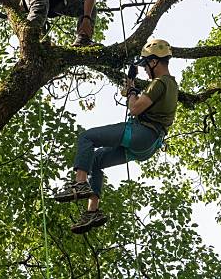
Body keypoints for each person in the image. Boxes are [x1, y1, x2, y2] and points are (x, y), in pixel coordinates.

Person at [53, 39, 178, 233]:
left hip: (142, 134)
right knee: (94, 161)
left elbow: (135, 108)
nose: (145, 69)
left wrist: (131, 94)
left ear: (154, 62)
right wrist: (133, 91)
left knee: (87, 137)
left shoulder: (160, 83)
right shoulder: (172, 86)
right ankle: (92, 211)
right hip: (149, 146)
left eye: (146, 65)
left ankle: (79, 183)